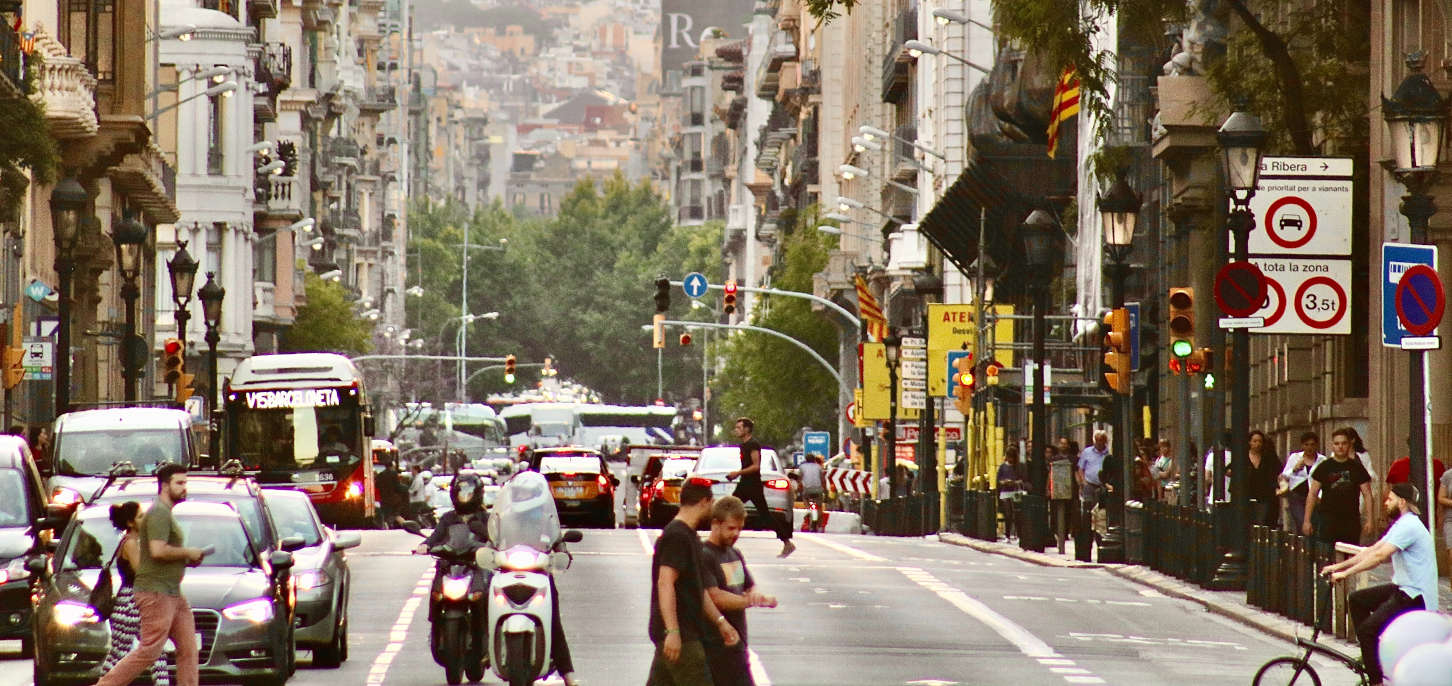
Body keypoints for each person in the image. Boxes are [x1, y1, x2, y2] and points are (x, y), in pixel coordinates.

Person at [96, 463, 209, 686]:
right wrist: (188, 552)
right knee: (150, 650)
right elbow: (158, 551)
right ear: (165, 486)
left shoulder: (165, 514)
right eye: (179, 483)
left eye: (185, 482)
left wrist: (187, 559)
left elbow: (159, 554)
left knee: (188, 648)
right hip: (156, 593)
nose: (184, 488)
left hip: (173, 591)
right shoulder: (158, 513)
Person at [1320, 483, 1438, 686]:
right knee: (1356, 600)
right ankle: (1372, 656)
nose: (1385, 503)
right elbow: (1373, 550)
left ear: (1402, 502)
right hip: (1403, 588)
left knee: (1368, 630)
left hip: (1416, 596)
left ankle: (1376, 682)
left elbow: (1380, 557)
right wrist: (1337, 567)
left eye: (1390, 499)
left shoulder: (1410, 526)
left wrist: (1345, 574)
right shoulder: (1401, 524)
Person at [648, 478, 740, 685]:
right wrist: (673, 631)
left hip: (681, 633)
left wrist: (721, 622)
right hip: (682, 636)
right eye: (711, 501)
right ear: (704, 502)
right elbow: (665, 582)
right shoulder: (677, 536)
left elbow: (699, 590)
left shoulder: (690, 536)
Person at [701, 496, 777, 686]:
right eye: (731, 528)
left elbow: (748, 585)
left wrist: (756, 594)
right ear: (715, 524)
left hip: (737, 646)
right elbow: (715, 597)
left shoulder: (734, 553)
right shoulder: (705, 555)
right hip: (715, 648)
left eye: (739, 529)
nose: (735, 534)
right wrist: (750, 601)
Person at [99, 501, 170, 686]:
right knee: (120, 654)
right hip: (131, 603)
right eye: (140, 516)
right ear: (130, 523)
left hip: (133, 601)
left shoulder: (132, 542)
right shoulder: (130, 543)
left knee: (154, 650)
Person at [726, 418, 794, 558]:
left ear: (747, 429)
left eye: (739, 427)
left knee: (762, 515)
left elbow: (756, 466)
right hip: (745, 483)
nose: (736, 430)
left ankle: (787, 543)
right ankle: (726, 542)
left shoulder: (753, 444)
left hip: (752, 485)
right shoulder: (744, 445)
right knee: (730, 509)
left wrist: (737, 473)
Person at [1303, 427, 1373, 544]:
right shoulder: (1324, 467)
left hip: (1351, 521)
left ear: (1349, 444)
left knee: (1349, 552)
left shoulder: (1357, 467)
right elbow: (1312, 494)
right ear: (1332, 445)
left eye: (1344, 443)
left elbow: (1367, 494)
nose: (1340, 446)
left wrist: (1370, 520)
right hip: (1328, 520)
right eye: (1337, 443)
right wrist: (1307, 520)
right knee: (1328, 552)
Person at [1279, 432, 1324, 531]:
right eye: (1306, 445)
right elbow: (1284, 476)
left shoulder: (1322, 460)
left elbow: (1324, 480)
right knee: (1301, 522)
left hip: (1314, 496)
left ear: (1316, 445)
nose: (1309, 448)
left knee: (1313, 523)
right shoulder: (1295, 457)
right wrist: (1294, 469)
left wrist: (1320, 496)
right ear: (1302, 445)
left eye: (1312, 445)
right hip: (1297, 496)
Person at [1247, 431, 1283, 528]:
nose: (1257, 444)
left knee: (1262, 522)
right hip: (1248, 495)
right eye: (1255, 441)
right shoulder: (1243, 457)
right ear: (1249, 442)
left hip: (1265, 496)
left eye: (1260, 441)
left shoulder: (1268, 457)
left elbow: (1279, 471)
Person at [996, 446, 1026, 539]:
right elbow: (999, 480)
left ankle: (1018, 534)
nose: (1011, 459)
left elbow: (1022, 479)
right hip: (1005, 492)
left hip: (1016, 491)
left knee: (1017, 513)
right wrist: (1004, 482)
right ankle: (1008, 534)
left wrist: (1015, 482)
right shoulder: (1003, 467)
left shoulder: (1018, 467)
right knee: (1008, 514)